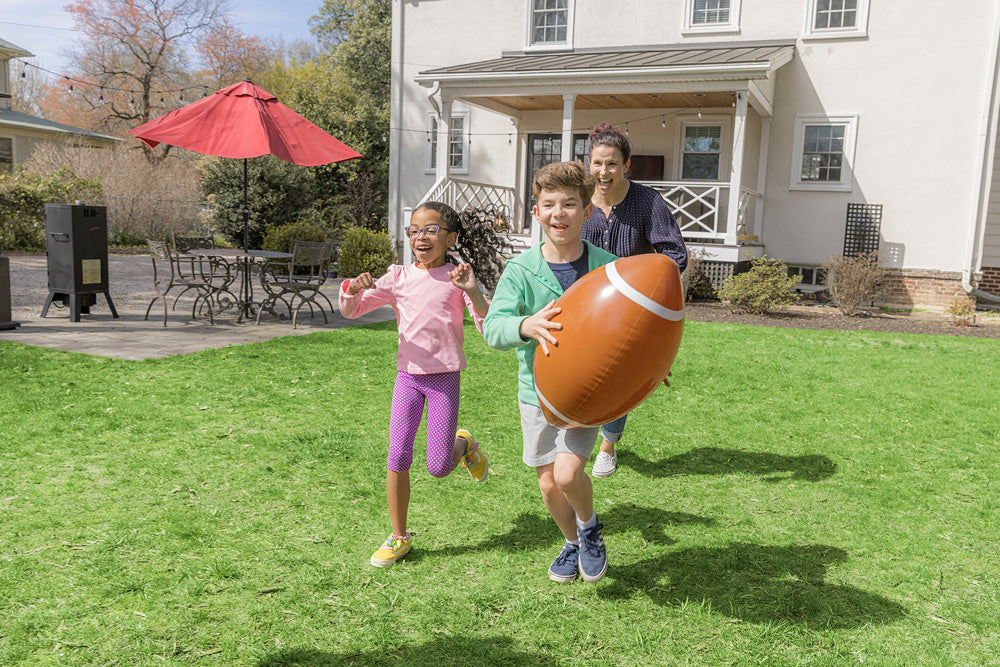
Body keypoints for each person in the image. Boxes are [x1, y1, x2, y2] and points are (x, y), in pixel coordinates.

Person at [484, 161, 618, 583]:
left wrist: (649, 366)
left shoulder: (608, 268)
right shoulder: (520, 271)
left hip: (587, 393)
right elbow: (493, 328)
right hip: (536, 394)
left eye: (570, 204)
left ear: (587, 211)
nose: (559, 213)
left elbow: (631, 328)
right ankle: (574, 541)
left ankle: (589, 526)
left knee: (568, 473)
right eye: (549, 205)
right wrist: (525, 325)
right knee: (547, 484)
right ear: (537, 213)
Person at [339, 201, 490, 567]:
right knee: (397, 455)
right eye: (414, 230)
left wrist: (472, 291)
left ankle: (463, 443)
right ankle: (398, 536)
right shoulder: (397, 276)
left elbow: (487, 325)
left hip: (444, 381)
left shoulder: (458, 277)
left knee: (438, 467)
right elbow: (351, 311)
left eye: (431, 229)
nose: (420, 236)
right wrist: (353, 289)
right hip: (407, 377)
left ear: (450, 237)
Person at [582, 123, 689, 478]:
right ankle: (579, 434)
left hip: (632, 308)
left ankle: (607, 446)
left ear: (626, 165)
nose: (603, 172)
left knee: (620, 376)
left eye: (612, 164)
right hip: (587, 305)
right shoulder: (581, 203)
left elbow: (674, 254)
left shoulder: (647, 202)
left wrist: (644, 282)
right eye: (597, 163)